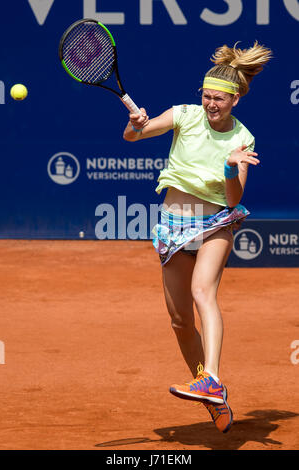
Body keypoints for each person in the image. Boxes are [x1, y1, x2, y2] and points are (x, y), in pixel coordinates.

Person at [123, 41, 272, 433]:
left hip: (216, 221)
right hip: (173, 222)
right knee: (178, 321)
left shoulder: (243, 139)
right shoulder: (185, 115)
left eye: (219, 99)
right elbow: (133, 137)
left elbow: (233, 196)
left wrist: (229, 165)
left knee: (203, 291)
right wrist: (135, 124)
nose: (211, 104)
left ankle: (213, 378)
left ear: (235, 99)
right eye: (206, 96)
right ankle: (211, 392)